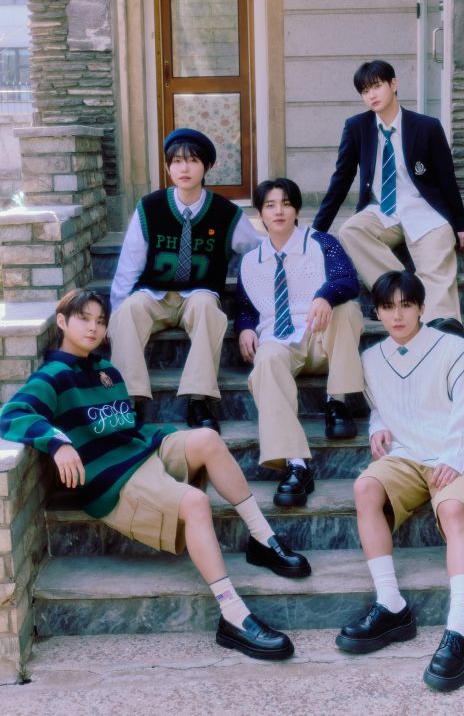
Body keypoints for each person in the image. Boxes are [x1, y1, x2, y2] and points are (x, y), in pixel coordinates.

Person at [0, 289, 312, 661]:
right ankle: (232, 615)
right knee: (195, 502)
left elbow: (125, 427)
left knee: (208, 439)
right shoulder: (53, 376)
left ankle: (262, 539)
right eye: (84, 319)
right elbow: (11, 415)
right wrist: (57, 442)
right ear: (63, 322)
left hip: (138, 450)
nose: (93, 328)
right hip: (112, 478)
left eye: (100, 321)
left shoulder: (106, 370)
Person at [336, 271, 464, 691]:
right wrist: (377, 426)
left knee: (452, 508)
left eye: (406, 305)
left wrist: (453, 458)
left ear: (422, 308)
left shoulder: (453, 349)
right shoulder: (371, 358)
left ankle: (460, 632)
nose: (397, 315)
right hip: (409, 452)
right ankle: (391, 605)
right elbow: (382, 405)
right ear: (377, 313)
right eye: (388, 307)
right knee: (365, 487)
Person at [108, 128, 263, 432]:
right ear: (168, 167)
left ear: (207, 166)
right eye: (177, 161)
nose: (184, 168)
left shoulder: (226, 213)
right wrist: (114, 312)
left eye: (192, 160)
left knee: (208, 309)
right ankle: (128, 399)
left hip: (199, 294)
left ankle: (199, 400)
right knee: (128, 311)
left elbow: (259, 252)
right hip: (154, 295)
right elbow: (129, 265)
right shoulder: (149, 207)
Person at [313, 59, 464, 335]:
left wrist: (460, 224)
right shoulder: (357, 127)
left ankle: (442, 324)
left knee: (438, 252)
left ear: (393, 84)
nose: (372, 95)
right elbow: (340, 180)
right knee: (350, 230)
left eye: (377, 86)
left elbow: (446, 179)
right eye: (365, 91)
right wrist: (317, 230)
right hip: (381, 210)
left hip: (423, 209)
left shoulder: (426, 127)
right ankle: (399, 291)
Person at [235, 178, 364, 507]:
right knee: (265, 361)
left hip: (321, 336)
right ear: (260, 214)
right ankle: (295, 465)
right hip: (279, 342)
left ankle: (337, 402)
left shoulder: (321, 242)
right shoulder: (251, 260)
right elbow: (245, 308)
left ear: (296, 210)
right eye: (270, 205)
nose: (279, 211)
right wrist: (245, 328)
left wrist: (326, 295)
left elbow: (348, 280)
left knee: (347, 309)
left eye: (286, 203)